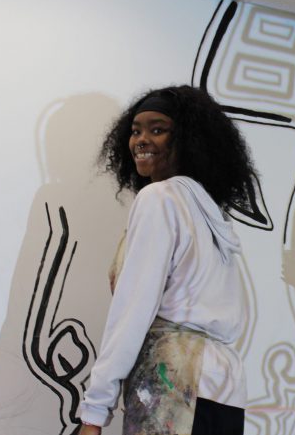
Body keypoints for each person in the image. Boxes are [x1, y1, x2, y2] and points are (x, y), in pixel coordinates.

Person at [78, 85, 256, 435]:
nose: (141, 140)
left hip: (174, 382)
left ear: (189, 140)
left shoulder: (158, 199)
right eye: (135, 131)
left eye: (157, 130)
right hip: (224, 387)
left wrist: (95, 410)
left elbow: (132, 309)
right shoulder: (208, 213)